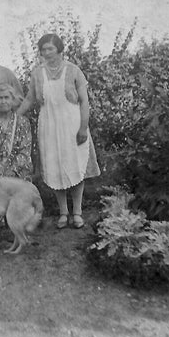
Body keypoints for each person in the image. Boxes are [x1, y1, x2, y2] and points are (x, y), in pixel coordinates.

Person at [17, 33, 100, 229]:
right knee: (54, 168)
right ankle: (63, 212)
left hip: (71, 124)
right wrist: (14, 118)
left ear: (60, 50)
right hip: (49, 125)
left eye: (50, 49)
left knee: (75, 166)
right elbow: (29, 99)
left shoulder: (73, 70)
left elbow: (84, 101)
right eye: (43, 49)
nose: (47, 53)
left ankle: (77, 212)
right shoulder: (38, 73)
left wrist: (83, 128)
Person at [0, 82, 33, 181]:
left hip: (17, 171)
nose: (3, 101)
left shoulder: (23, 122)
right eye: (0, 98)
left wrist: (7, 170)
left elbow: (25, 153)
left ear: (12, 100)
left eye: (6, 97)